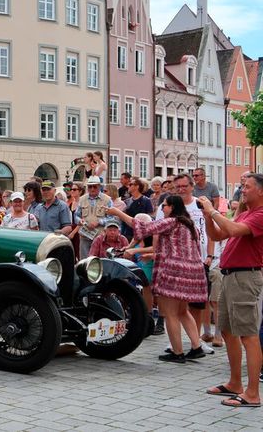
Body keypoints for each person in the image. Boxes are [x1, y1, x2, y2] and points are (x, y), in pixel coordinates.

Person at [110, 195, 207, 363]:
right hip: (191, 272)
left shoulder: (172, 222)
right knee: (183, 311)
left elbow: (144, 226)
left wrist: (118, 212)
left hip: (173, 271)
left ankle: (177, 352)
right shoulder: (190, 224)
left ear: (173, 207)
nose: (162, 209)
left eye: (165, 206)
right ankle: (196, 347)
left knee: (170, 314)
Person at [199, 174, 263, 407]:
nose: (242, 190)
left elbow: (233, 230)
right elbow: (217, 235)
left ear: (261, 191)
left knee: (248, 334)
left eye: (247, 187)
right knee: (226, 330)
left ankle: (253, 393)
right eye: (242, 186)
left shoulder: (260, 215)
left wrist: (213, 211)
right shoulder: (245, 212)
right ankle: (235, 383)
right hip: (230, 275)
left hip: (245, 277)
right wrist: (208, 216)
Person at [158, 173, 214, 355]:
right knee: (181, 309)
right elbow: (157, 231)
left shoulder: (199, 204)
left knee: (195, 307)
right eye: (178, 186)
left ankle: (191, 344)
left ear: (192, 186)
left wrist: (210, 256)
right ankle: (188, 344)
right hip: (182, 263)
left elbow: (211, 228)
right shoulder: (165, 207)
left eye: (184, 186)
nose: (181, 189)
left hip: (199, 260)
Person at [75, 177, 113, 259]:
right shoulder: (82, 199)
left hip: (100, 238)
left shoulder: (107, 200)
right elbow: (76, 216)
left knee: (100, 261)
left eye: (95, 186)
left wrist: (99, 221)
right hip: (85, 236)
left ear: (99, 187)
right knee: (84, 262)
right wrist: (80, 221)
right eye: (90, 186)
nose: (92, 189)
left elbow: (112, 219)